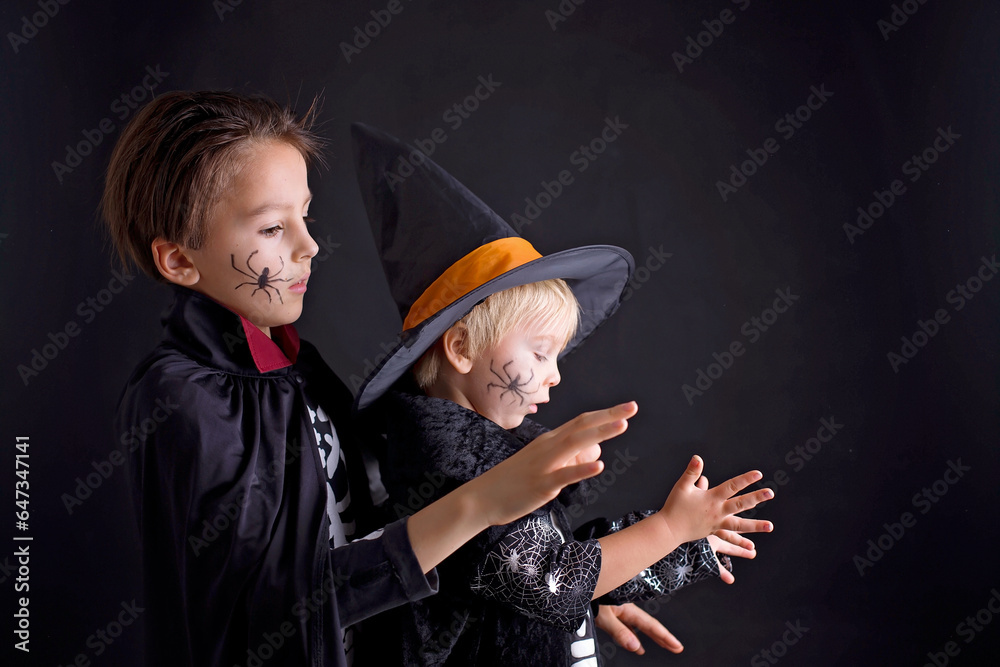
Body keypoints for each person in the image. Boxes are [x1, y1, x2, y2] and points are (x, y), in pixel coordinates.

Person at [100, 90, 639, 667]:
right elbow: (264, 615)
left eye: (303, 215)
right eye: (270, 229)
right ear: (179, 260)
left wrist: (545, 599)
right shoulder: (185, 399)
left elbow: (385, 527)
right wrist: (478, 505)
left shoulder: (298, 372)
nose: (309, 246)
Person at [349, 123, 775, 666]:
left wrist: (682, 540)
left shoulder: (488, 456)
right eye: (540, 352)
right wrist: (668, 528)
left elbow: (557, 557)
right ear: (460, 348)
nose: (555, 376)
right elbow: (553, 580)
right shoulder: (450, 473)